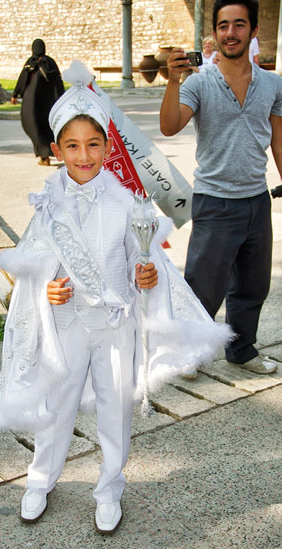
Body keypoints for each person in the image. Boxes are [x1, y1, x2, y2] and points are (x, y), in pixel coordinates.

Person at [0, 62, 232, 534]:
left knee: (115, 408)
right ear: (57, 149)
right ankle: (40, 479)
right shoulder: (46, 206)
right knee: (56, 404)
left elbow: (145, 266)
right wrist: (46, 289)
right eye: (73, 146)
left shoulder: (126, 202)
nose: (84, 155)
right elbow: (27, 270)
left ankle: (109, 487)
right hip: (65, 325)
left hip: (115, 323)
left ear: (107, 147)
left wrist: (146, 278)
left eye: (94, 144)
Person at [160, 0, 282, 378]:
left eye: (239, 24)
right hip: (215, 202)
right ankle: (189, 351)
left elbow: (279, 139)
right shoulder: (198, 82)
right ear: (214, 33)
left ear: (253, 31)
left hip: (256, 201)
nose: (231, 32)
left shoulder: (273, 84)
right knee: (203, 285)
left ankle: (241, 350)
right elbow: (169, 126)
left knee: (252, 284)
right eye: (224, 26)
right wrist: (172, 81)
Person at [11, 39, 64, 166]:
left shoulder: (31, 63)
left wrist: (15, 95)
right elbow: (58, 82)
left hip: (32, 104)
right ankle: (49, 153)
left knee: (34, 127)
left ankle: (44, 156)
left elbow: (22, 80)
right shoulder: (50, 63)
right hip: (48, 104)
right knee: (47, 127)